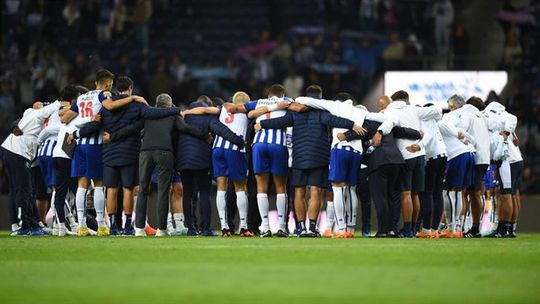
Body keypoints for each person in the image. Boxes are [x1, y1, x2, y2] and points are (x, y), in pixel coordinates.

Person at [73, 76, 181, 235]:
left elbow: (96, 123)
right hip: (130, 151)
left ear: (116, 88)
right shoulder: (136, 104)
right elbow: (153, 113)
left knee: (111, 189)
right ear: (130, 87)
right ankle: (129, 225)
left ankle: (114, 226)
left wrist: (76, 134)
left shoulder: (107, 106)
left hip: (109, 151)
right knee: (128, 188)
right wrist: (176, 110)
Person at [256, 92, 362, 237]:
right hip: (319, 156)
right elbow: (335, 120)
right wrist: (352, 125)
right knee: (315, 192)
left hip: (299, 156)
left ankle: (300, 228)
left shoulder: (294, 113)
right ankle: (312, 228)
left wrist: (261, 124)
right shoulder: (321, 112)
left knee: (299, 193)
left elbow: (279, 122)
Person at [105, 94, 206, 236]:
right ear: (169, 105)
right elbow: (185, 128)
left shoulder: (148, 115)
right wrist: (203, 135)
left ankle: (139, 229)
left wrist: (112, 137)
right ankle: (161, 229)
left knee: (142, 190)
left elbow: (132, 128)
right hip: (164, 153)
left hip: (145, 153)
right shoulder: (173, 115)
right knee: (163, 191)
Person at [61, 69, 145, 236]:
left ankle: (82, 225)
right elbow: (110, 106)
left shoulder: (81, 97)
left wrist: (82, 122)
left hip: (79, 144)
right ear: (108, 84)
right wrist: (133, 98)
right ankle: (101, 225)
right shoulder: (103, 94)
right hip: (95, 144)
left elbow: (64, 118)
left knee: (82, 185)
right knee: (99, 184)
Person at [224, 84, 291, 237]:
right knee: (281, 186)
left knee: (261, 187)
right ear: (281, 95)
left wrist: (255, 112)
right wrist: (276, 107)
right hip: (278, 144)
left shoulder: (259, 102)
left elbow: (233, 108)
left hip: (258, 145)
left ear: (268, 96)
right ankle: (281, 227)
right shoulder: (287, 101)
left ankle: (265, 228)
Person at [181, 93, 252, 236]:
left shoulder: (223, 108)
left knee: (221, 187)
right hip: (235, 149)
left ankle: (224, 227)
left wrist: (186, 112)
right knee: (240, 187)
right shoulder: (248, 111)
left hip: (218, 149)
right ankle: (244, 226)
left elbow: (204, 110)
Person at [383, 91, 442, 237]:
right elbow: (438, 110)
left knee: (405, 194)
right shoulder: (414, 109)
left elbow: (389, 124)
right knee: (416, 194)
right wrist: (420, 143)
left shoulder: (391, 110)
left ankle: (408, 229)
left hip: (405, 154)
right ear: (407, 100)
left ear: (393, 100)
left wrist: (379, 131)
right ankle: (414, 228)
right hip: (420, 155)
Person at [2, 99, 62, 235]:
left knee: (19, 189)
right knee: (23, 189)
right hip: (19, 151)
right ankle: (23, 226)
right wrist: (62, 103)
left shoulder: (34, 116)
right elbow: (41, 107)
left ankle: (20, 224)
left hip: (15, 150)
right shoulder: (38, 113)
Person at [438, 94, 476, 238]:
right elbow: (467, 134)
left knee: (448, 191)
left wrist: (456, 134)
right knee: (458, 192)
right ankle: (458, 227)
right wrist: (470, 142)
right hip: (468, 154)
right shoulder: (466, 116)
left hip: (455, 155)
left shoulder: (446, 118)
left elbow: (450, 129)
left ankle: (451, 228)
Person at [454, 97, 491, 238]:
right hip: (484, 158)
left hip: (474, 158)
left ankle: (473, 227)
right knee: (473, 192)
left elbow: (460, 129)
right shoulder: (481, 117)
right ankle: (474, 227)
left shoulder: (467, 114)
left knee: (471, 192)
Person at [417, 103, 447, 238]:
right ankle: (435, 229)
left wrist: (419, 146)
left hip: (432, 156)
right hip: (443, 154)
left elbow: (427, 137)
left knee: (427, 193)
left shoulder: (421, 120)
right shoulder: (433, 119)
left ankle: (426, 229)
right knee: (438, 193)